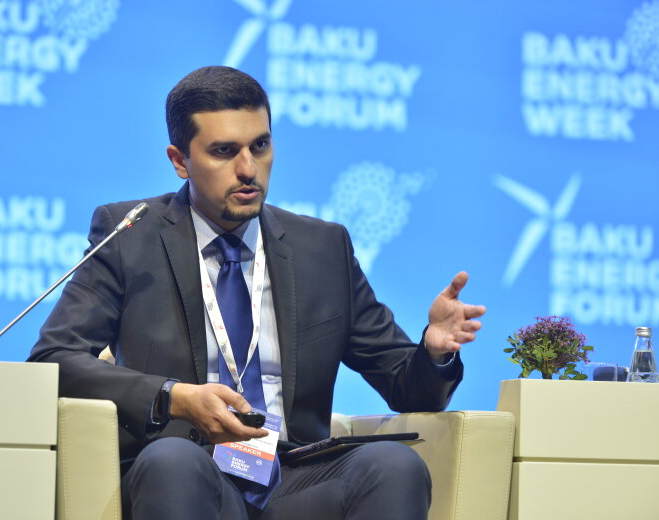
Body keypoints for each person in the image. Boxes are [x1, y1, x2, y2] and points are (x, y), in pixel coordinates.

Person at [29, 65, 486, 520]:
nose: (248, 169)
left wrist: (435, 353)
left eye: (260, 146)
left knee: (394, 466)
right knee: (174, 462)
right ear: (180, 160)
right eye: (224, 151)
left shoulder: (322, 248)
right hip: (186, 469)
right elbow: (54, 358)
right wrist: (174, 397)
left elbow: (407, 387)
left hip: (293, 477)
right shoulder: (131, 236)